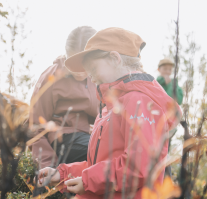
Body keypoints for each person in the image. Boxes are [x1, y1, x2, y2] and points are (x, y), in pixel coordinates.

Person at [35, 27, 181, 198]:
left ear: (114, 58)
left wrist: (89, 181)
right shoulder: (108, 110)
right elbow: (97, 164)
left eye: (94, 69)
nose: (91, 77)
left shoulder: (138, 102)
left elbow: (139, 167)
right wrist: (63, 173)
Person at [30, 26, 99, 169]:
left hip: (96, 135)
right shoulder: (51, 78)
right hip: (65, 139)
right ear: (67, 55)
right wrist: (48, 165)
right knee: (98, 153)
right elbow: (35, 125)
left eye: (84, 63)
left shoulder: (101, 77)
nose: (80, 70)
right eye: (74, 63)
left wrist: (101, 127)